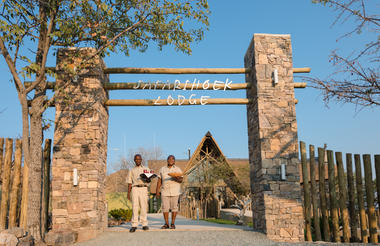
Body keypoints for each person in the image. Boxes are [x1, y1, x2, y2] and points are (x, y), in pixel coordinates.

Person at [126, 154, 152, 232]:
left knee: (144, 206)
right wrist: (128, 193)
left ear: (141, 160)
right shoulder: (131, 170)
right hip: (135, 188)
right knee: (135, 206)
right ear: (134, 160)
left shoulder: (146, 168)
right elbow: (129, 182)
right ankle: (134, 225)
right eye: (136, 159)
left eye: (139, 159)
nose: (138, 160)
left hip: (143, 188)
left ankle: (144, 224)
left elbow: (149, 180)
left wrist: (147, 179)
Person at [156, 155, 183, 229]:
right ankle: (166, 223)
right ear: (167, 160)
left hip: (175, 191)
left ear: (174, 161)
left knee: (174, 208)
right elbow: (159, 181)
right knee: (165, 208)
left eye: (173, 159)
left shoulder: (178, 169)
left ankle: (173, 223)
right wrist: (157, 191)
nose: (171, 160)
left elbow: (181, 180)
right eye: (169, 159)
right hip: (165, 191)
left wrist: (176, 177)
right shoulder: (162, 169)